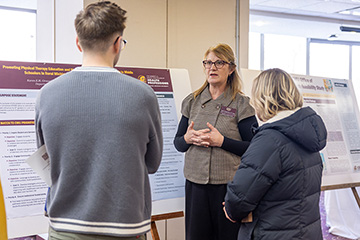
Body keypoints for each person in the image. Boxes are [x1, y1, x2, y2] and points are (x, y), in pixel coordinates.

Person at [35, 1, 163, 239]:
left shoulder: (46, 94)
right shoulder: (143, 95)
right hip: (126, 227)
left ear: (78, 43)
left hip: (64, 228)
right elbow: (152, 163)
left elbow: (46, 159)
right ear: (117, 44)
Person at [223, 68, 327, 240]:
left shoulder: (270, 140)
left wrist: (229, 208)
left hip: (273, 232)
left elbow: (240, 198)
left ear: (263, 97)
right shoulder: (307, 132)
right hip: (306, 232)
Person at [173, 43, 258, 240]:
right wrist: (187, 138)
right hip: (196, 186)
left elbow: (255, 149)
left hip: (227, 187)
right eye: (208, 62)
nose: (212, 67)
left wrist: (222, 141)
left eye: (219, 62)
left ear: (231, 69)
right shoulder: (192, 101)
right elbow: (178, 143)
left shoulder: (241, 104)